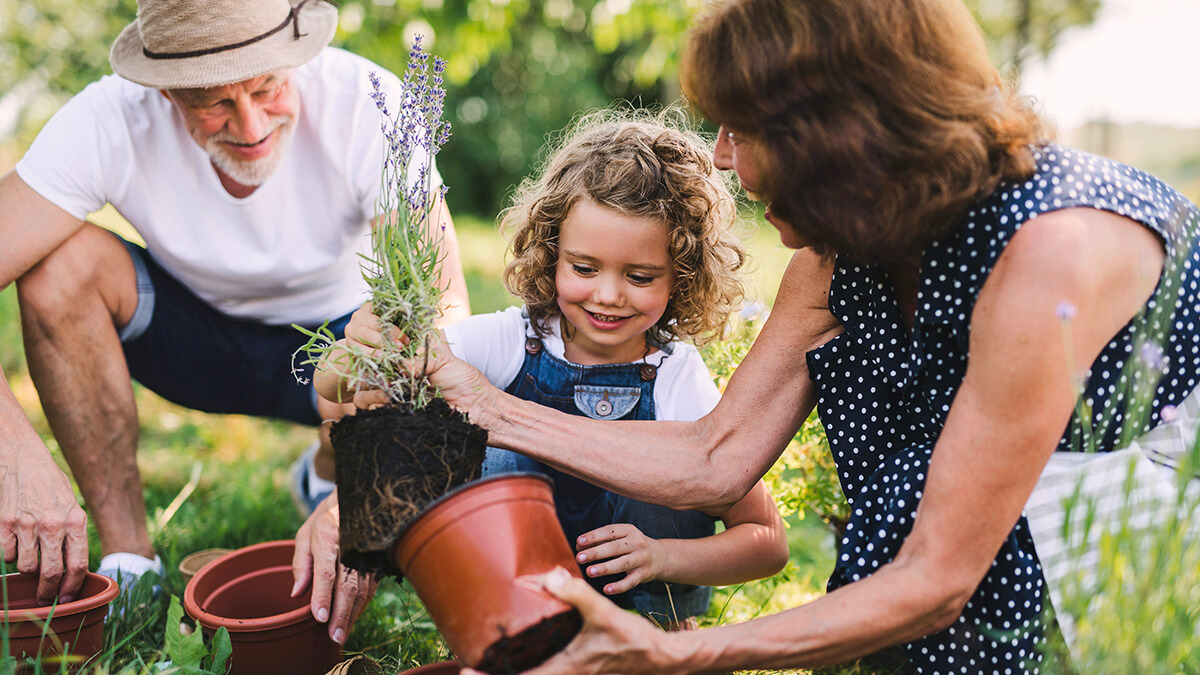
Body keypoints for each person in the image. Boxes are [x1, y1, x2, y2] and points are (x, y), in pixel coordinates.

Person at [305, 0, 1200, 672]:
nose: (723, 157)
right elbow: (715, 456)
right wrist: (357, 500)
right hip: (955, 549)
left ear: (837, 133)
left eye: (745, 128)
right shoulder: (852, 234)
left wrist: (681, 653)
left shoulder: (1049, 254)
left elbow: (936, 576)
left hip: (1118, 542)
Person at [0, 0, 469, 608]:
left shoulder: (366, 102)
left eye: (268, 87)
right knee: (57, 268)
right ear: (166, 92)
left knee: (399, 341)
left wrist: (361, 487)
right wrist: (12, 449)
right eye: (213, 103)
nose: (250, 127)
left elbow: (446, 310)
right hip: (187, 338)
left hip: (333, 348)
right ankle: (131, 563)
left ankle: (325, 475)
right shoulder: (108, 116)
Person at [300, 112, 789, 637]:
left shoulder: (676, 377)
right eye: (583, 268)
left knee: (669, 469)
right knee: (491, 453)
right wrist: (355, 351)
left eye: (640, 276)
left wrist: (664, 557)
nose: (607, 294)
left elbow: (766, 541)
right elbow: (340, 386)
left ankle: (660, 631)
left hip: (638, 605)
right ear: (552, 254)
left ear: (682, 275)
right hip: (517, 595)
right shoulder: (512, 339)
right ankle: (506, 627)